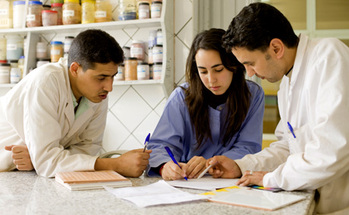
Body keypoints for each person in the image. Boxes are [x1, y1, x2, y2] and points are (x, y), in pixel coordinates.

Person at [207, 3, 349, 214]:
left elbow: (331, 151)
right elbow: (288, 147)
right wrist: (242, 166)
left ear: (276, 48)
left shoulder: (329, 56)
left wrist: (270, 179)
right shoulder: (287, 85)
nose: (250, 73)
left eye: (250, 63)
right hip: (318, 204)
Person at [0, 29, 151, 178]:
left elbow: (88, 151)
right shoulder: (45, 82)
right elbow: (47, 163)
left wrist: (39, 157)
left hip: (27, 174)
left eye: (112, 77)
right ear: (75, 69)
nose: (109, 87)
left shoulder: (97, 94)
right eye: (101, 77)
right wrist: (115, 165)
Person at [146, 28, 265, 180]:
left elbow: (249, 147)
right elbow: (159, 146)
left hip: (231, 181)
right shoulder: (181, 97)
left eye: (218, 70)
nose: (211, 79)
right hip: (187, 182)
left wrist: (211, 163)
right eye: (203, 71)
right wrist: (165, 166)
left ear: (233, 65)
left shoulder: (253, 95)